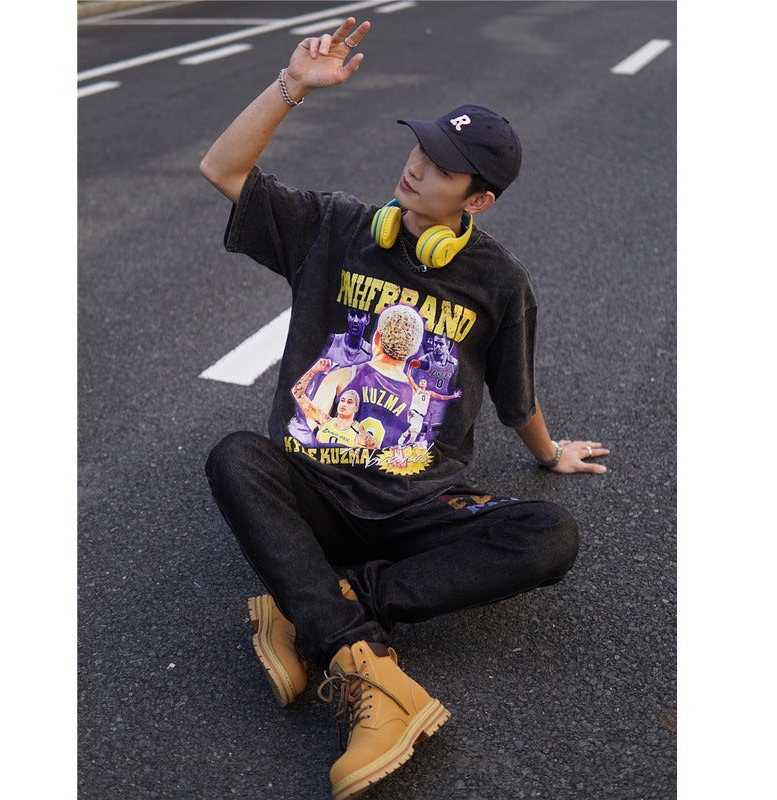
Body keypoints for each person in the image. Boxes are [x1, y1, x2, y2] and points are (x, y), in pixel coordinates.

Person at [200, 17, 609, 800]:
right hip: (319, 487)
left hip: (421, 503)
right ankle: (367, 669)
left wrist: (548, 452)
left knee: (550, 534)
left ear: (478, 199)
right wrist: (292, 86)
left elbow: (515, 395)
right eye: (421, 149)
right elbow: (222, 168)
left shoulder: (498, 282)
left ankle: (317, 603)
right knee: (236, 457)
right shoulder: (336, 228)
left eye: (443, 167)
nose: (417, 167)